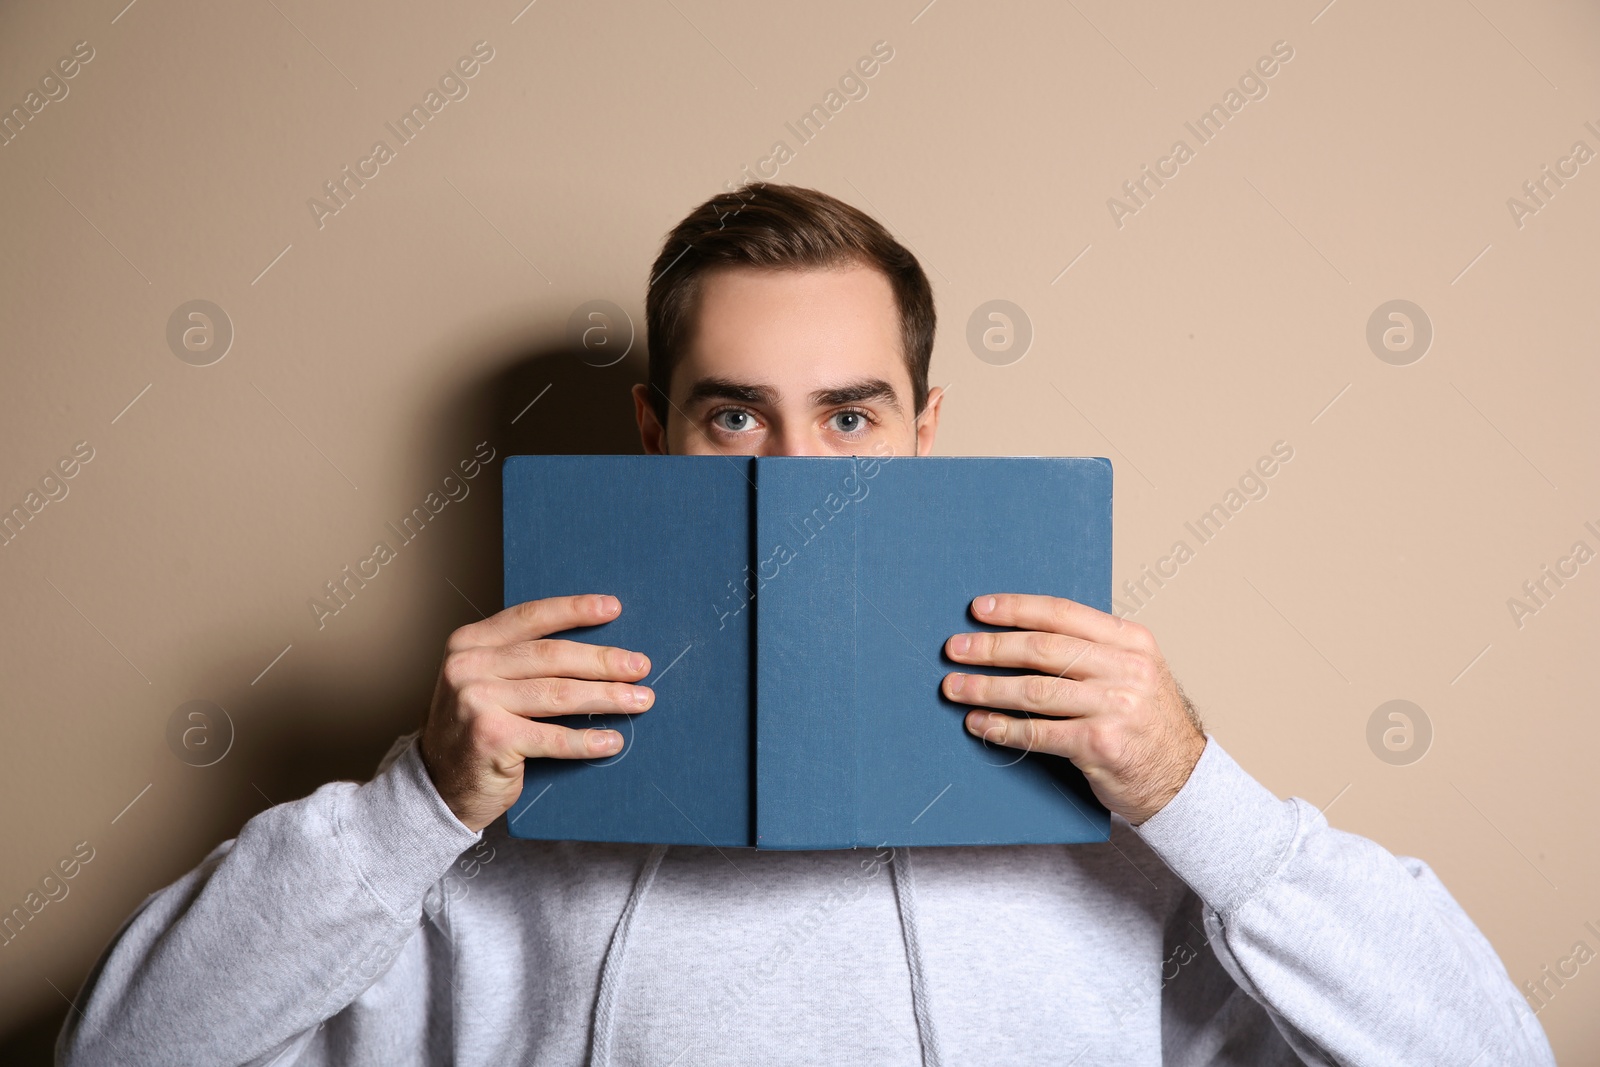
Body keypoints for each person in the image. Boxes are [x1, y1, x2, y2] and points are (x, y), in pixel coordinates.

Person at [58, 184, 1554, 1066]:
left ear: (923, 431)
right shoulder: (479, 822)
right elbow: (116, 1051)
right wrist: (416, 807)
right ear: (653, 435)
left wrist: (1188, 789)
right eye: (734, 416)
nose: (792, 470)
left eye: (849, 415)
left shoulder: (1107, 814)